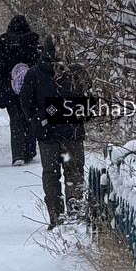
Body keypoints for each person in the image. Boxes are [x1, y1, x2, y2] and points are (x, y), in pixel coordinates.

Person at [19, 35, 90, 229]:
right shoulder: (76, 71)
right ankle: (75, 212)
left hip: (47, 133)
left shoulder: (34, 73)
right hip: (71, 131)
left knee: (50, 174)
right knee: (73, 171)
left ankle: (56, 216)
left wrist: (37, 120)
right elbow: (87, 95)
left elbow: (25, 101)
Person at [0, 14, 41, 165]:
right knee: (30, 117)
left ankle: (18, 155)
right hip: (30, 88)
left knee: (15, 120)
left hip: (11, 88)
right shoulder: (32, 41)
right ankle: (30, 150)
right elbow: (37, 63)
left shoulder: (4, 43)